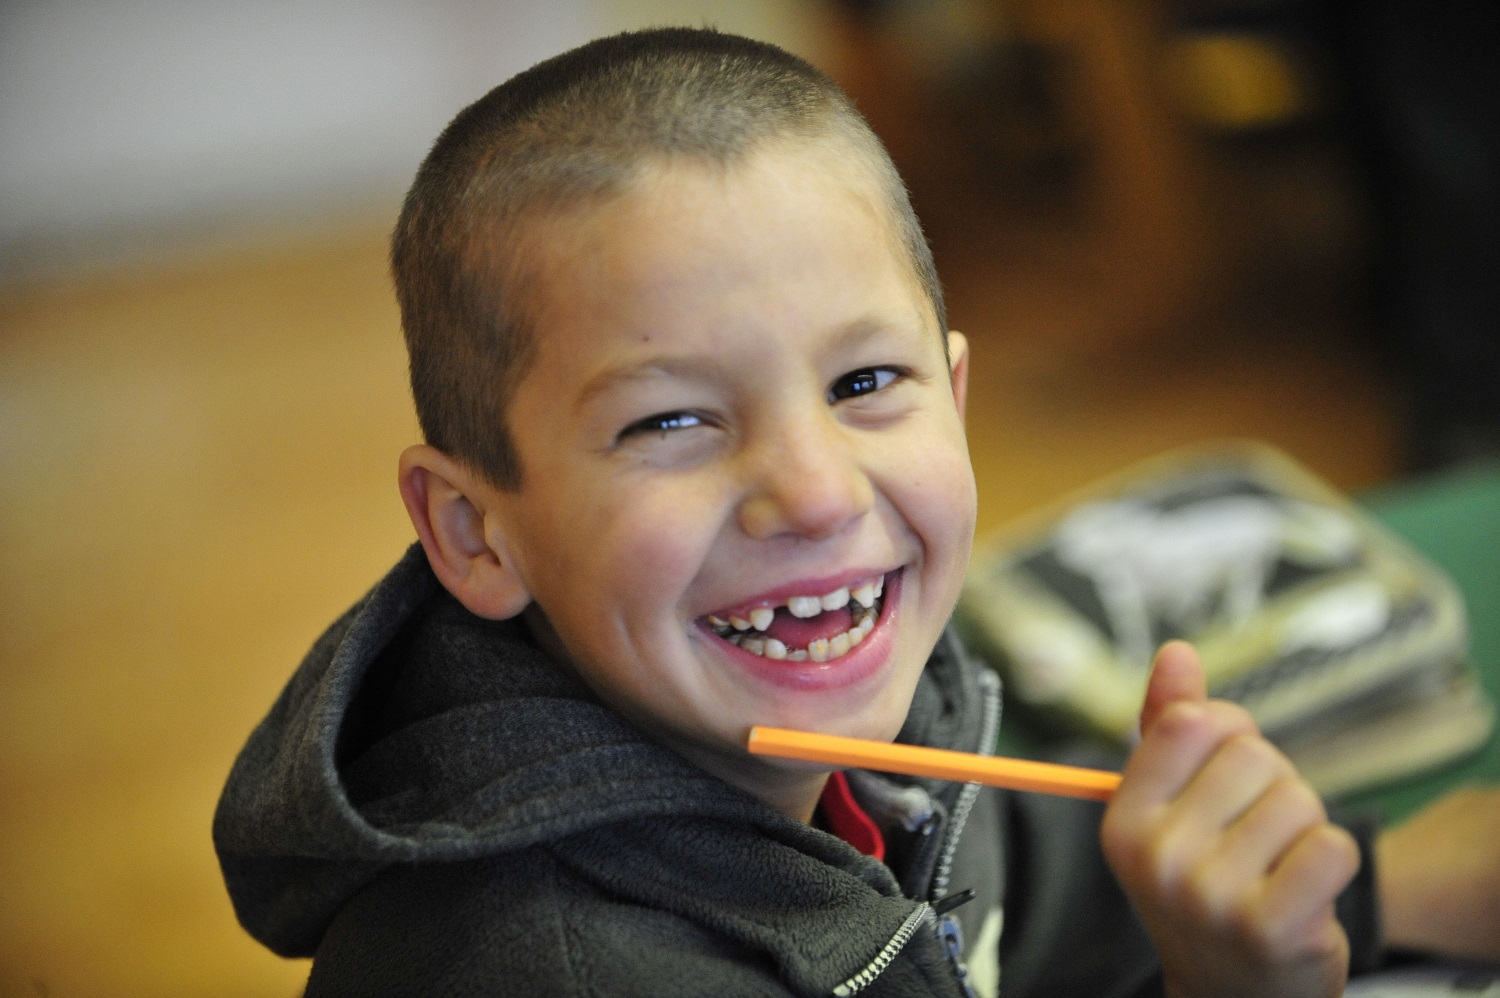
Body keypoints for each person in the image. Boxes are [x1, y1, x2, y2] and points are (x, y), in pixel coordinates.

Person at [213, 27, 1498, 998]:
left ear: (955, 391)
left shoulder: (883, 709)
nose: (820, 493)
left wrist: (1379, 878)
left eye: (866, 382)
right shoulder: (543, 966)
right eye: (670, 420)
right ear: (474, 531)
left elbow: (1027, 894)